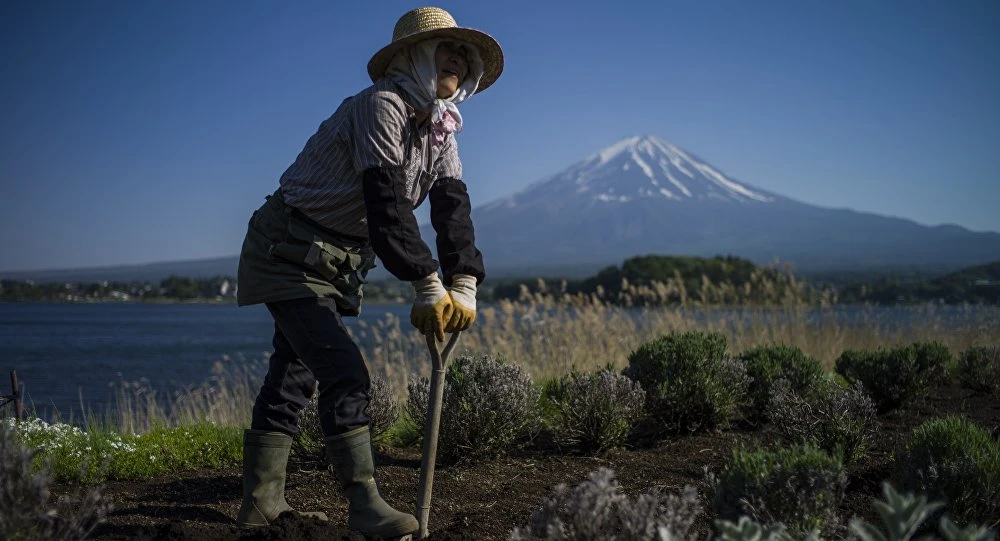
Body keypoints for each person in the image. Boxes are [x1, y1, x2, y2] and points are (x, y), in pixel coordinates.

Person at [232, 6, 502, 539]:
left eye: (463, 53)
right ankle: (363, 504)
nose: (456, 58)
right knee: (344, 371)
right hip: (287, 248)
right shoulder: (382, 106)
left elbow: (452, 210)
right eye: (445, 48)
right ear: (413, 56)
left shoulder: (442, 132)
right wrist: (427, 283)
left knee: (294, 372)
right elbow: (386, 203)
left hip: (336, 261)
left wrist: (465, 283)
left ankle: (261, 503)